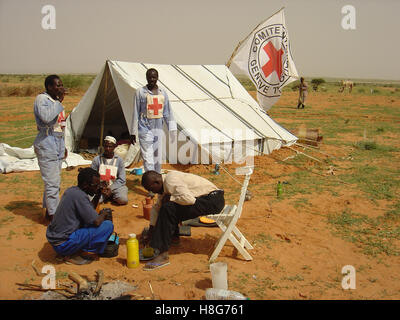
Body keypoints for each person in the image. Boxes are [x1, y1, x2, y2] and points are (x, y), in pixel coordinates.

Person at [140, 170, 225, 271]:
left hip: (212, 201)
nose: (152, 192)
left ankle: (162, 254)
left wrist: (171, 198)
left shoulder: (170, 180)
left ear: (157, 182)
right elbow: (156, 208)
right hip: (208, 199)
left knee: (168, 208)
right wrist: (151, 231)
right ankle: (174, 237)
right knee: (167, 206)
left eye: (151, 189)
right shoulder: (164, 186)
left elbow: (189, 200)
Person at [46, 168, 114, 265]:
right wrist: (104, 213)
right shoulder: (80, 196)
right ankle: (72, 253)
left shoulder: (72, 191)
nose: (97, 187)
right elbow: (96, 221)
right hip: (63, 245)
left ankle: (72, 249)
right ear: (85, 185)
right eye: (95, 185)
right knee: (107, 225)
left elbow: (90, 211)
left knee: (91, 222)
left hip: (58, 241)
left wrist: (98, 193)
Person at [33, 74, 68, 222]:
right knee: (52, 182)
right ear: (49, 87)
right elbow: (46, 117)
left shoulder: (54, 101)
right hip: (47, 143)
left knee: (53, 181)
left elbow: (61, 124)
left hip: (57, 142)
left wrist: (64, 145)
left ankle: (49, 211)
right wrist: (59, 101)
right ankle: (54, 217)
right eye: (57, 85)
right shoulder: (42, 99)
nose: (60, 88)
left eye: (61, 85)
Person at [130, 68, 177, 174]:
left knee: (157, 156)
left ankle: (157, 178)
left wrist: (172, 130)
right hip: (144, 128)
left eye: (154, 77)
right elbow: (135, 112)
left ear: (157, 78)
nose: (152, 79)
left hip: (158, 129)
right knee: (147, 157)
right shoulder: (140, 92)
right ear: (146, 78)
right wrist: (133, 132)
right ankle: (150, 182)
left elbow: (168, 112)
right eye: (150, 77)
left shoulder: (163, 93)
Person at [91, 136, 128, 205]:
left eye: (110, 147)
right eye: (106, 146)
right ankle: (107, 196)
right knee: (93, 201)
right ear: (103, 146)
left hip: (116, 186)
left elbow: (122, 180)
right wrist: (101, 187)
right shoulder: (97, 160)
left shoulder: (119, 161)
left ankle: (111, 195)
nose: (108, 149)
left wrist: (111, 189)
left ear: (114, 147)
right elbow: (92, 177)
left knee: (123, 200)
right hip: (100, 187)